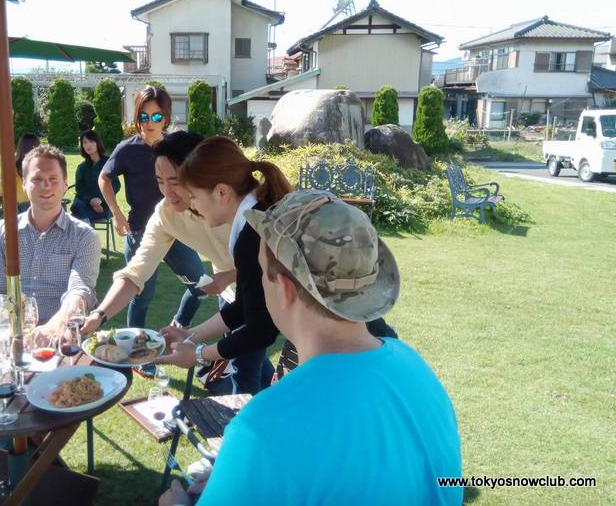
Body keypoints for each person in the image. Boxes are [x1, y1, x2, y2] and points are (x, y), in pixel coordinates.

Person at [160, 190, 462, 506]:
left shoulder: (263, 427)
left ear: (285, 290)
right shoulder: (415, 368)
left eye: (262, 274)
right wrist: (240, 475)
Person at [81, 131, 256, 393]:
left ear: (199, 172)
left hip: (265, 291)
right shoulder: (166, 214)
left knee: (246, 376)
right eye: (160, 181)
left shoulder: (236, 204)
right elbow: (136, 272)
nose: (167, 192)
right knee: (249, 362)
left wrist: (229, 276)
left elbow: (267, 262)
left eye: (175, 181)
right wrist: (99, 315)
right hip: (232, 299)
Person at [155, 136, 291, 394]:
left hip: (331, 348)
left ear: (221, 192)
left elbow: (261, 330)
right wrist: (191, 335)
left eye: (194, 196)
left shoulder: (252, 235)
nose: (193, 205)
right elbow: (247, 307)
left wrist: (199, 354)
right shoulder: (256, 215)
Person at [99, 87, 207, 376]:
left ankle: (177, 328)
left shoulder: (174, 149)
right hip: (140, 232)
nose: (149, 122)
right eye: (144, 116)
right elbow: (104, 178)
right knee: (140, 295)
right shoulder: (127, 149)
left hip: (176, 231)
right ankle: (138, 356)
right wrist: (117, 213)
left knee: (201, 285)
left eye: (156, 116)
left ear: (166, 117)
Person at [0, 145, 100, 336]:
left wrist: (54, 327)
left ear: (65, 184)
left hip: (62, 333)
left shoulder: (84, 236)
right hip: (10, 331)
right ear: (24, 185)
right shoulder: (0, 233)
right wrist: (19, 321)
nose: (46, 186)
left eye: (53, 179)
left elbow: (80, 291)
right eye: (37, 179)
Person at [71, 130, 120, 224]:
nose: (88, 145)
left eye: (91, 141)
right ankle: (87, 230)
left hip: (103, 207)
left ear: (97, 143)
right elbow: (79, 189)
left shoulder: (108, 163)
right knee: (77, 206)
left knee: (76, 214)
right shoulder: (82, 167)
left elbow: (116, 185)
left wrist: (100, 199)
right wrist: (91, 201)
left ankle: (85, 230)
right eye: (85, 142)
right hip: (84, 205)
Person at [0, 133, 40, 222]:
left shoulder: (11, 166)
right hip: (42, 208)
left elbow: (2, 191)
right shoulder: (44, 165)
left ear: (19, 148)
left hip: (22, 211)